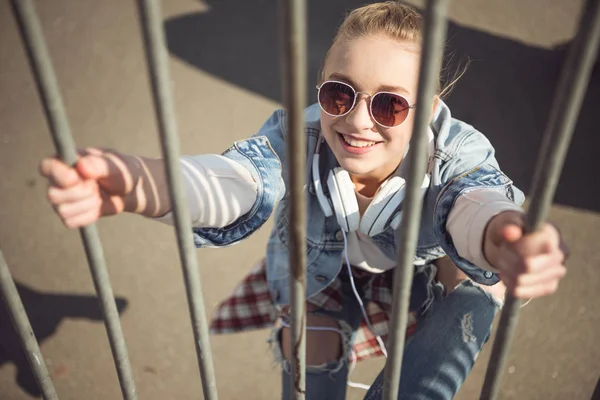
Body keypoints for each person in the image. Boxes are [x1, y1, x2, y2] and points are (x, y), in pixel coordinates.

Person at [39, 2, 568, 399]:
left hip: (424, 269)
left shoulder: (453, 152)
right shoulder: (302, 136)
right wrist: (139, 180)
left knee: (477, 291)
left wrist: (503, 237)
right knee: (308, 363)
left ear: (428, 108)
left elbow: (472, 199)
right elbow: (237, 178)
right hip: (326, 271)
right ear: (320, 89)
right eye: (340, 92)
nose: (358, 120)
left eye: (390, 105)